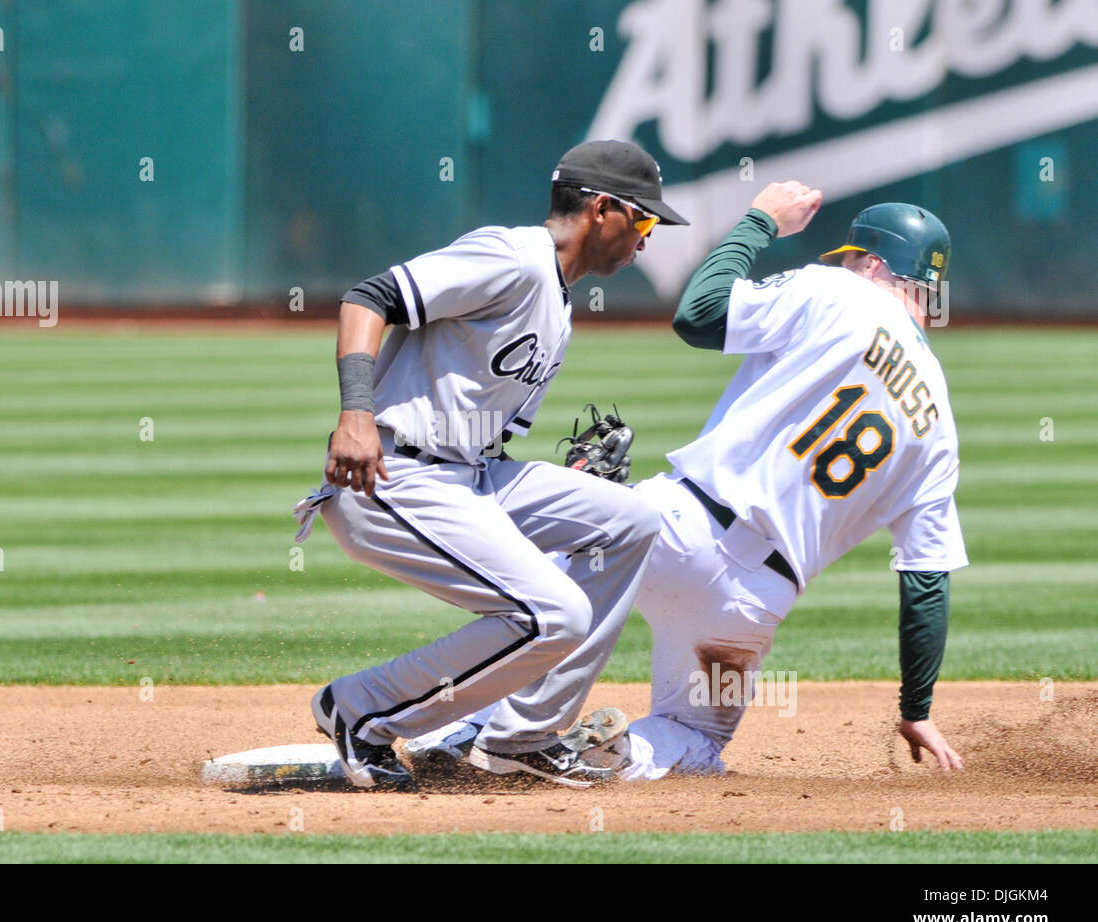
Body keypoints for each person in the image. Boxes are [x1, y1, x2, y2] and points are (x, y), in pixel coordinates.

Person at [407, 184, 969, 780]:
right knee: (696, 735)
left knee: (555, 627)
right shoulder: (938, 423)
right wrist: (917, 709)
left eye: (853, 257)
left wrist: (758, 222)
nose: (848, 265)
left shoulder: (838, 290)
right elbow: (925, 581)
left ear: (872, 263)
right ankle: (610, 757)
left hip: (669, 528)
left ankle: (460, 730)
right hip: (748, 608)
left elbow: (699, 315)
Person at [292, 140, 690, 788]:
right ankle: (361, 709)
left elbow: (483, 433)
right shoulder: (514, 257)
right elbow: (369, 297)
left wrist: (574, 489)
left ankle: (520, 736)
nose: (646, 239)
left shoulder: (559, 306)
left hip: (467, 474)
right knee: (554, 613)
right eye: (644, 220)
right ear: (603, 209)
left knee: (633, 518)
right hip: (393, 474)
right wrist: (356, 415)